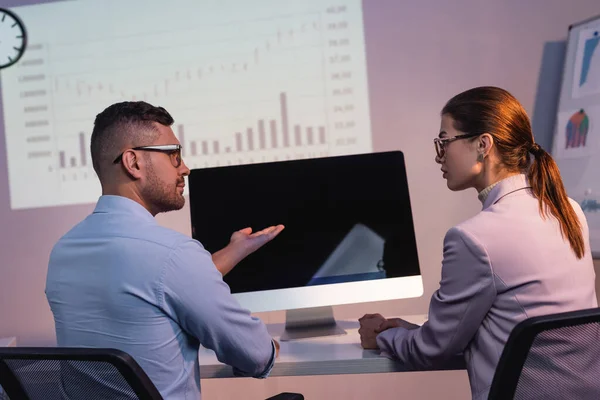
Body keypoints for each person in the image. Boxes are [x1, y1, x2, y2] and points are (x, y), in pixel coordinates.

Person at [358, 86, 597, 400]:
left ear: (483, 145)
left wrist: (383, 339)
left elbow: (432, 350)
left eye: (444, 141)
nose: (438, 155)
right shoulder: (569, 210)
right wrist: (411, 331)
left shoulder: (474, 238)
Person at [45, 101, 284, 399]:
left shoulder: (63, 252)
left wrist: (232, 251)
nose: (185, 168)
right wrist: (269, 347)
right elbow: (255, 354)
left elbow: (149, 286)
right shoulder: (173, 254)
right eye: (173, 155)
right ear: (133, 163)